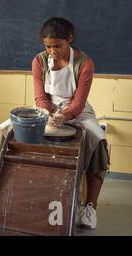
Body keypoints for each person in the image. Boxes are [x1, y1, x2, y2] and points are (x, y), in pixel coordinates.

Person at [32, 17, 110, 230]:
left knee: (99, 142)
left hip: (79, 112)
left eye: (58, 46)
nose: (52, 51)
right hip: (47, 109)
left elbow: (79, 101)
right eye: (48, 46)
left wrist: (64, 116)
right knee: (9, 131)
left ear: (70, 39)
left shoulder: (84, 63)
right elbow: (40, 98)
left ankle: (90, 207)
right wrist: (48, 114)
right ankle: (31, 195)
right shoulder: (39, 61)